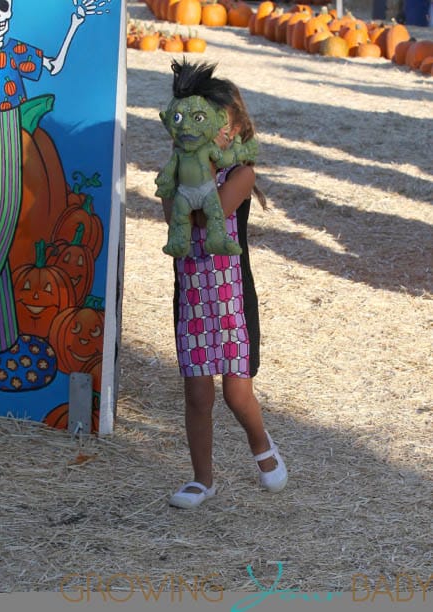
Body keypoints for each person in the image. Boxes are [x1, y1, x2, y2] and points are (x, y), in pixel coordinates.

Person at [159, 60, 288, 509]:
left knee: (236, 393)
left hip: (231, 301)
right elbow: (168, 215)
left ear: (233, 130)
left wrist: (186, 188)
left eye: (214, 124)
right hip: (192, 298)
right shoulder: (176, 171)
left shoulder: (241, 176)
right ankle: (202, 479)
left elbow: (204, 213)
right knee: (197, 394)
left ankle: (261, 444)